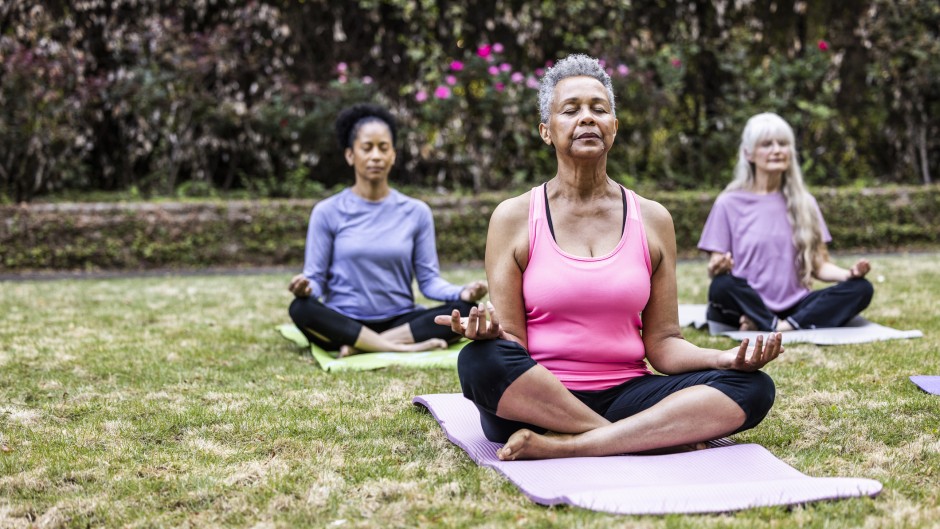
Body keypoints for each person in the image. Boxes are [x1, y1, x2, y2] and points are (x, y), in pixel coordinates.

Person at [436, 54, 782, 461]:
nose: (587, 118)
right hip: (536, 397)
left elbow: (665, 344)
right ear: (546, 131)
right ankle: (638, 437)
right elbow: (513, 341)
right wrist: (491, 334)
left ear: (613, 128)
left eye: (599, 109)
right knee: (479, 361)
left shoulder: (653, 219)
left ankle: (573, 445)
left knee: (754, 387)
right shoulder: (513, 217)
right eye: (571, 110)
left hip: (628, 394)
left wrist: (723, 358)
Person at [288, 103, 487, 357]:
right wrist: (305, 289)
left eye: (383, 148)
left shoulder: (417, 212)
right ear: (350, 155)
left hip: (401, 320)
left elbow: (429, 281)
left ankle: (364, 347)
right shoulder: (327, 211)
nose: (376, 156)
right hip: (344, 321)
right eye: (367, 148)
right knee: (300, 308)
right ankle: (398, 347)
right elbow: (314, 279)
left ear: (393, 155)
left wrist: (461, 292)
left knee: (464, 309)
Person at [698, 112, 874, 332]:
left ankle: (777, 326)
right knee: (721, 286)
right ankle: (773, 322)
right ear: (749, 154)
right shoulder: (728, 202)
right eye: (766, 144)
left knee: (861, 288)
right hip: (748, 303)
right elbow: (717, 262)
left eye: (782, 144)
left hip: (794, 305)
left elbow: (819, 266)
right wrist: (718, 266)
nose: (777, 150)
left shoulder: (805, 203)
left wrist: (849, 275)